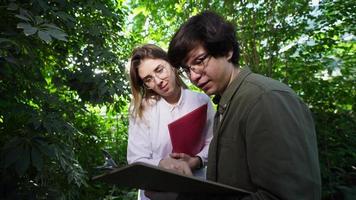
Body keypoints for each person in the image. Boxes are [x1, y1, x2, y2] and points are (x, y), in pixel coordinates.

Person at [167, 11, 321, 200]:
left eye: (199, 61)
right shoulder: (228, 102)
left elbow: (288, 195)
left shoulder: (265, 99)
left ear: (227, 50)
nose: (193, 76)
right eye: (187, 69)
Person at [126, 44, 215, 200]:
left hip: (195, 190)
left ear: (171, 65)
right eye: (148, 79)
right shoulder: (142, 110)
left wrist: (196, 161)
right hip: (156, 194)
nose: (158, 81)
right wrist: (162, 163)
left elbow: (213, 142)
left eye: (159, 70)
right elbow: (136, 159)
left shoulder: (201, 101)